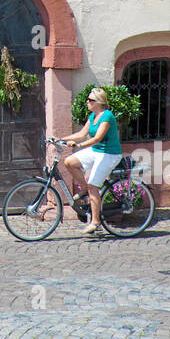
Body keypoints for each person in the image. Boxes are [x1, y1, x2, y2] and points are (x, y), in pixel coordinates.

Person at [58, 87, 123, 235]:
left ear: (99, 102)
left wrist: (78, 145)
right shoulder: (92, 116)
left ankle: (95, 222)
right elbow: (81, 133)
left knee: (94, 185)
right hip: (97, 151)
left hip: (109, 153)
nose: (87, 101)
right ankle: (85, 188)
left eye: (90, 100)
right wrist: (61, 139)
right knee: (70, 162)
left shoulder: (107, 116)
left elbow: (97, 138)